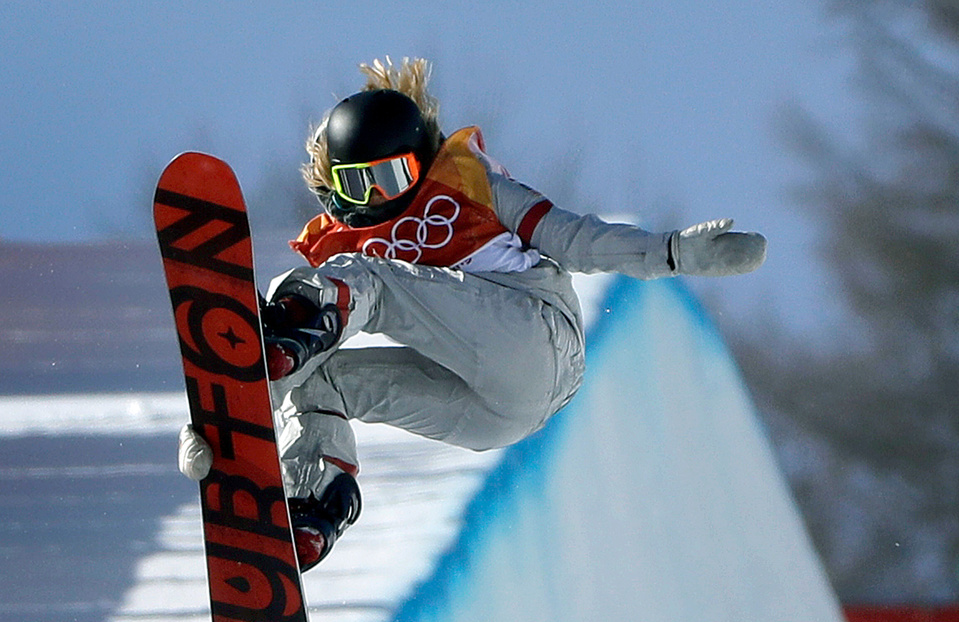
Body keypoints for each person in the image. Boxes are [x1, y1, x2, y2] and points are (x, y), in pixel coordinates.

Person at [177, 57, 768, 571]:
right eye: (359, 184)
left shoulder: (466, 182)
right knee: (316, 381)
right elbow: (281, 366)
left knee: (362, 282)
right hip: (492, 414)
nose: (379, 197)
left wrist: (672, 252)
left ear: (419, 162)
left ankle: (290, 322)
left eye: (392, 177)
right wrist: (223, 428)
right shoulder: (338, 242)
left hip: (534, 334)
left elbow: (574, 239)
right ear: (334, 185)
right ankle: (311, 506)